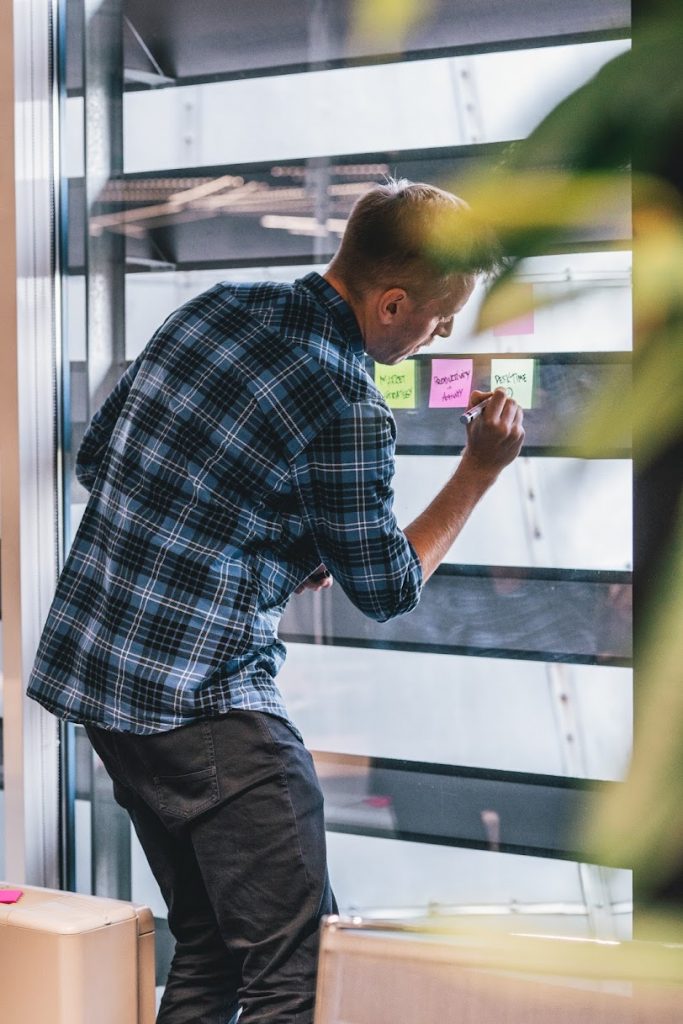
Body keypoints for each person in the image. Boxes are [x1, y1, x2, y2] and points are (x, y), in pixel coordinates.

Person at [27, 178, 524, 1023]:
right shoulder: (346, 400)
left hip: (109, 694)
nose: (441, 334)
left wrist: (284, 548)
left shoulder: (213, 308)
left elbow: (102, 460)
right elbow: (388, 587)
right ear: (393, 303)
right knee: (300, 977)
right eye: (441, 317)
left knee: (212, 952)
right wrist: (477, 470)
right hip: (207, 706)